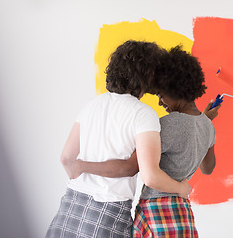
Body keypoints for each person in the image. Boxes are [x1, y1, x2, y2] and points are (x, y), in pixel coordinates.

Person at [45, 40, 192, 238]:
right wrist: (181, 188)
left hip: (70, 206)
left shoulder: (92, 104)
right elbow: (149, 175)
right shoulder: (143, 114)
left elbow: (66, 158)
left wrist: (82, 167)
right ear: (147, 75)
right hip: (107, 215)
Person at [132, 45, 219, 238]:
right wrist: (206, 122)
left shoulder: (167, 124)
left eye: (161, 95)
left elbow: (137, 161)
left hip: (156, 208)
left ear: (174, 88)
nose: (160, 102)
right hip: (181, 209)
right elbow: (208, 168)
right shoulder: (208, 126)